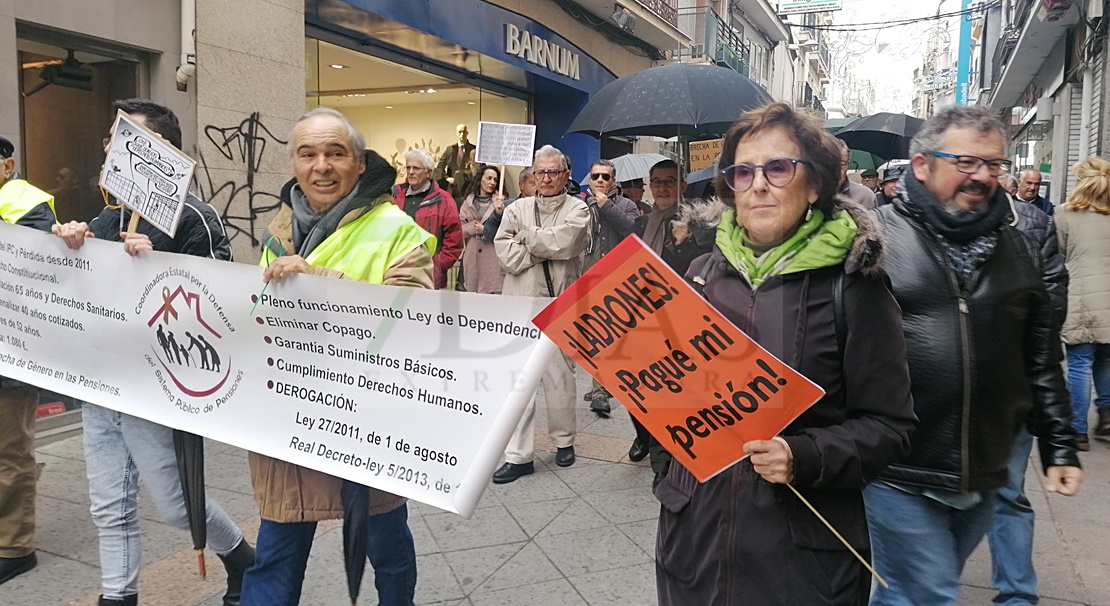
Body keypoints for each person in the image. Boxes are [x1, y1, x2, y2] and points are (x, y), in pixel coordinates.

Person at [655, 102, 917, 604]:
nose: (758, 184)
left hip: (800, 562)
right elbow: (674, 406)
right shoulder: (700, 277)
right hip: (694, 544)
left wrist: (805, 455)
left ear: (814, 184)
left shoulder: (853, 287)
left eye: (777, 168)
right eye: (742, 171)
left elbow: (890, 428)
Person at [868, 105, 1082, 606]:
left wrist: (1059, 446)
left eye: (994, 165)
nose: (983, 176)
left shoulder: (1019, 244)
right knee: (932, 591)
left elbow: (1041, 355)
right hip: (897, 464)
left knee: (905, 592)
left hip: (987, 464)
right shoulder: (871, 238)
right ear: (921, 165)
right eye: (966, 163)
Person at [50, 99, 253, 606]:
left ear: (162, 152)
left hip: (156, 391)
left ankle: (241, 558)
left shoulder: (196, 219)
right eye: (110, 141)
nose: (112, 151)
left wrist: (159, 269)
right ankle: (119, 596)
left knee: (178, 505)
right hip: (103, 386)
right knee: (110, 505)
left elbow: (218, 311)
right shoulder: (106, 218)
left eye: (127, 140)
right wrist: (65, 247)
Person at [241, 107, 434, 606]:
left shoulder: (398, 230)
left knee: (387, 549)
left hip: (365, 420)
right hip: (291, 417)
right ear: (293, 165)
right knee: (275, 555)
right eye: (308, 154)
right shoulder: (277, 228)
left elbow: (413, 326)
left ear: (360, 163)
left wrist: (318, 283)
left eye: (335, 153)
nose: (321, 165)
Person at [985, 185, 1068, 606]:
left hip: (1009, 388)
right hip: (931, 390)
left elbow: (1048, 316)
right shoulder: (906, 225)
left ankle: (1017, 593)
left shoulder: (1032, 224)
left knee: (1006, 493)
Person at [491, 145, 590, 483]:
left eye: (553, 172)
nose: (546, 178)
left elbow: (568, 243)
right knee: (517, 382)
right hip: (518, 304)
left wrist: (528, 239)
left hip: (560, 303)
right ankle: (518, 456)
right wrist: (542, 246)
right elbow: (506, 256)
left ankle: (564, 441)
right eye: (541, 172)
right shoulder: (515, 209)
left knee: (560, 377)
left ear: (566, 175)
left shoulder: (578, 209)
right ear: (532, 176)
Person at [628, 159, 713, 474]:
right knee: (634, 383)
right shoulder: (639, 224)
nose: (662, 187)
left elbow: (705, 266)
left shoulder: (699, 225)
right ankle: (643, 434)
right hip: (640, 316)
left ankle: (663, 449)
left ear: (683, 186)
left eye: (669, 181)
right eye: (657, 181)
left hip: (679, 319)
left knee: (668, 384)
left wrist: (682, 243)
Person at [0, 134, 56, 586]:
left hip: (11, 350)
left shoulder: (27, 203)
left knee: (10, 451)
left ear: (7, 165)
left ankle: (15, 546)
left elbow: (35, 265)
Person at [1057, 157, 1110, 449]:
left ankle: (1077, 430)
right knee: (1106, 360)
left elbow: (1060, 253)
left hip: (1082, 296)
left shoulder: (1066, 213)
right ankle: (1107, 418)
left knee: (1079, 362)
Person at [581, 159, 638, 417]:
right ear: (590, 179)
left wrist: (605, 205)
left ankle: (601, 388)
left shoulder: (627, 205)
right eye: (596, 176)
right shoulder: (580, 205)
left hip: (617, 279)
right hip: (587, 277)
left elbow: (630, 230)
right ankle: (600, 387)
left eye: (606, 176)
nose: (600, 181)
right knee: (592, 335)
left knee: (611, 336)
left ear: (614, 181)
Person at [391, 148, 462, 290]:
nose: (410, 172)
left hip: (429, 277)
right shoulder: (395, 196)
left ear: (429, 172)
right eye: (408, 167)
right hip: (396, 273)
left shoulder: (444, 200)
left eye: (416, 168)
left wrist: (437, 266)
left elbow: (454, 241)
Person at [458, 164, 506, 294]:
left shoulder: (500, 203)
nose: (492, 182)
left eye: (495, 180)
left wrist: (486, 229)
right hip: (472, 257)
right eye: (489, 178)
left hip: (493, 257)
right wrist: (473, 228)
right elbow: (458, 229)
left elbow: (506, 230)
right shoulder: (467, 203)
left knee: (492, 297)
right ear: (480, 179)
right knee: (472, 299)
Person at [434, 123, 476, 198]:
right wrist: (447, 177)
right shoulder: (449, 149)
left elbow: (481, 168)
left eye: (464, 132)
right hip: (452, 188)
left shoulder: (474, 150)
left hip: (469, 187)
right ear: (456, 133)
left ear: (467, 133)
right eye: (460, 132)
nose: (462, 134)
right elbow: (439, 167)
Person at [836, 139, 877, 209]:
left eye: (842, 164)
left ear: (848, 164)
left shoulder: (866, 196)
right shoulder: (812, 194)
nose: (836, 169)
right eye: (830, 163)